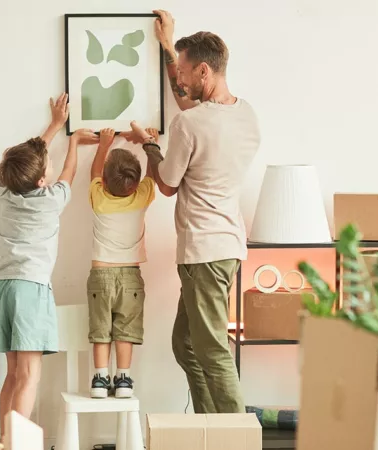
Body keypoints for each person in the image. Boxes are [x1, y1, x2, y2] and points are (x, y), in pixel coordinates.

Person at [150, 10, 262, 414]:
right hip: (227, 247)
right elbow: (189, 106)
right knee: (186, 344)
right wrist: (168, 45)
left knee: (212, 350)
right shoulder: (247, 115)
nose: (178, 79)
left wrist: (149, 148)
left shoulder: (189, 126)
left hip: (203, 252)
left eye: (182, 71)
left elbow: (165, 183)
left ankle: (235, 435)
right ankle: (209, 425)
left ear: (203, 71)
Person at [0, 93, 97, 433]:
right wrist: (75, 143)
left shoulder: (7, 195)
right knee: (30, 376)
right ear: (40, 181)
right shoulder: (51, 200)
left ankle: (5, 439)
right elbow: (69, 171)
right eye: (44, 166)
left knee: (12, 375)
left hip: (3, 289)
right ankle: (18, 443)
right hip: (30, 288)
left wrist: (54, 126)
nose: (49, 164)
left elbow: (33, 160)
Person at [85, 126, 161, 399]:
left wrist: (103, 144)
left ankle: (100, 378)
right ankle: (124, 380)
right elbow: (153, 175)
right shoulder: (142, 197)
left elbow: (94, 171)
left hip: (100, 274)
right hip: (130, 276)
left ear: (104, 182)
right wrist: (152, 142)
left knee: (100, 329)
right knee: (125, 330)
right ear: (135, 183)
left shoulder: (98, 197)